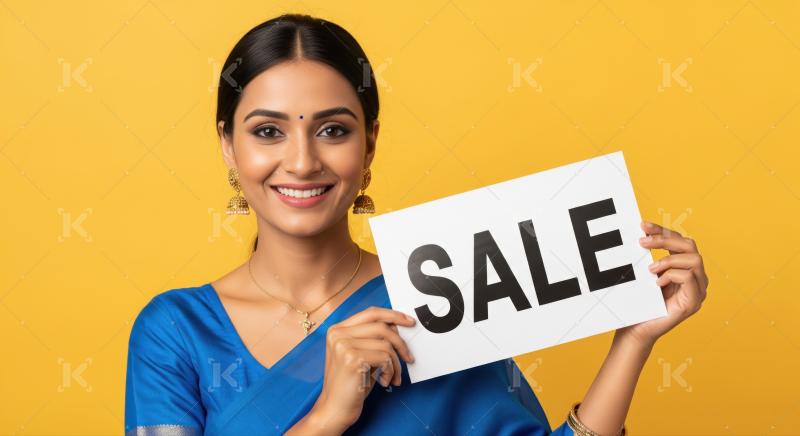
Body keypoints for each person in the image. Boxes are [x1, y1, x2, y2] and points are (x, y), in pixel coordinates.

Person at [124, 13, 709, 436]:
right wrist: (328, 415)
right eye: (268, 131)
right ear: (228, 145)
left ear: (369, 143)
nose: (301, 161)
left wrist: (632, 343)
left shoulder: (441, 298)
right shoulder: (174, 332)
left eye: (332, 129)